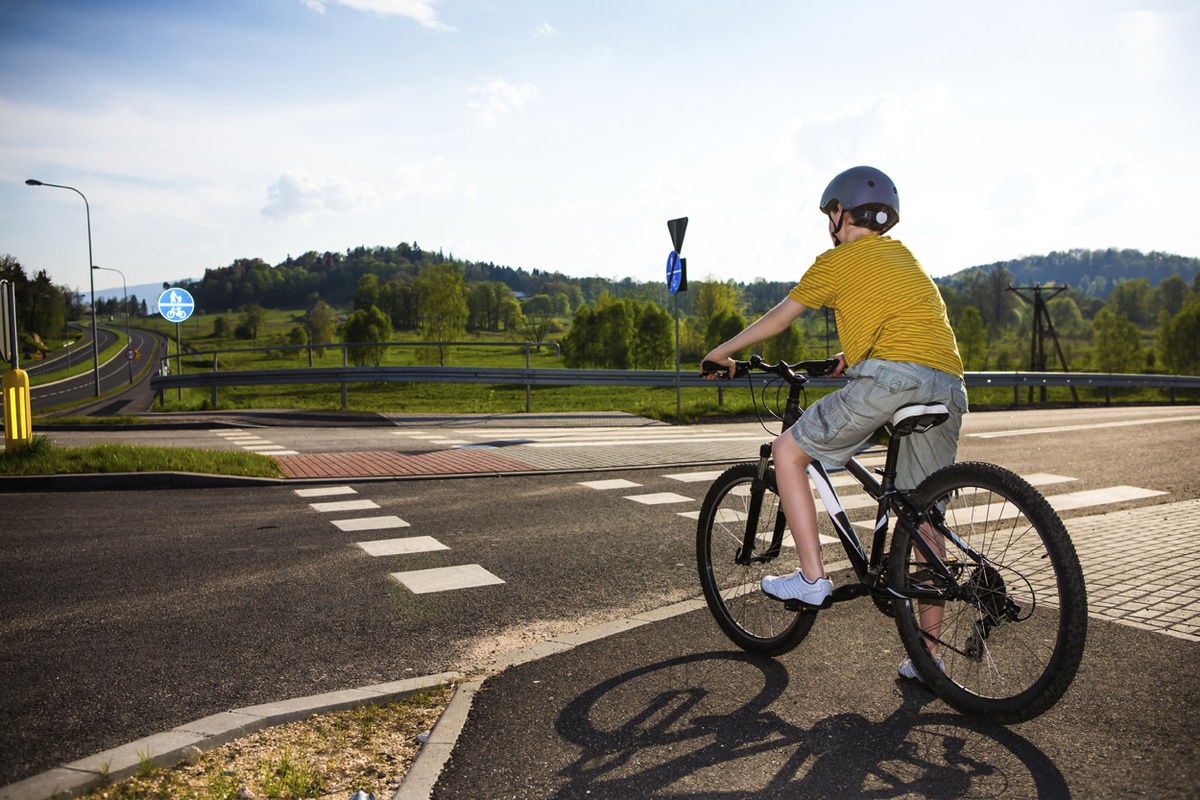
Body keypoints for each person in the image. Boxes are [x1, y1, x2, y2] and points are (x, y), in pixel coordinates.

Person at [701, 165, 968, 680]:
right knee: (924, 517)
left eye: (832, 213)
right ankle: (929, 659)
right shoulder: (904, 257)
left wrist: (722, 351)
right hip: (948, 383)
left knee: (787, 453)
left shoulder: (838, 260)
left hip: (892, 379)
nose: (831, 221)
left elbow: (779, 317)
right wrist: (854, 353)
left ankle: (811, 577)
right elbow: (905, 322)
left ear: (841, 213)